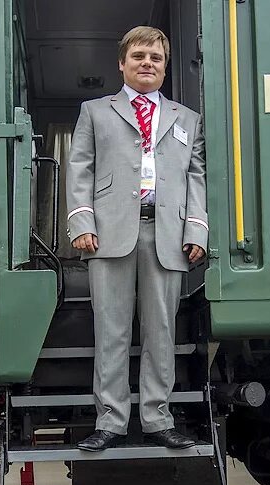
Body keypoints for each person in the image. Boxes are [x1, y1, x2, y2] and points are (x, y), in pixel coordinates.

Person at [65, 25, 208, 451]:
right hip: (109, 232)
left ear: (164, 68)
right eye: (139, 56)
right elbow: (80, 168)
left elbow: (196, 177)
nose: (148, 63)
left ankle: (156, 418)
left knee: (160, 330)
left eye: (156, 58)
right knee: (111, 330)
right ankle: (109, 420)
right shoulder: (95, 110)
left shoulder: (187, 119)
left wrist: (196, 226)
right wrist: (82, 223)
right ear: (122, 63)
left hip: (167, 233)